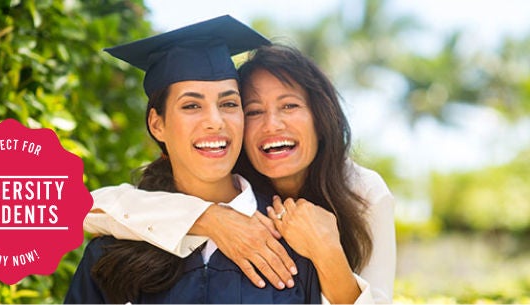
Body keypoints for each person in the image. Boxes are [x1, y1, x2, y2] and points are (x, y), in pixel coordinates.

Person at [83, 42, 396, 303]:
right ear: (157, 124)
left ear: (321, 116)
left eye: (289, 106)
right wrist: (212, 219)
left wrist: (327, 252)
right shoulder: (222, 169)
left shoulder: (361, 192)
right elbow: (88, 209)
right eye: (254, 110)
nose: (272, 124)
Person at [65, 15, 323, 304]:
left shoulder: (292, 242)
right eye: (191, 105)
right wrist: (209, 219)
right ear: (157, 124)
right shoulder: (112, 253)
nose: (215, 122)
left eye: (228, 104)